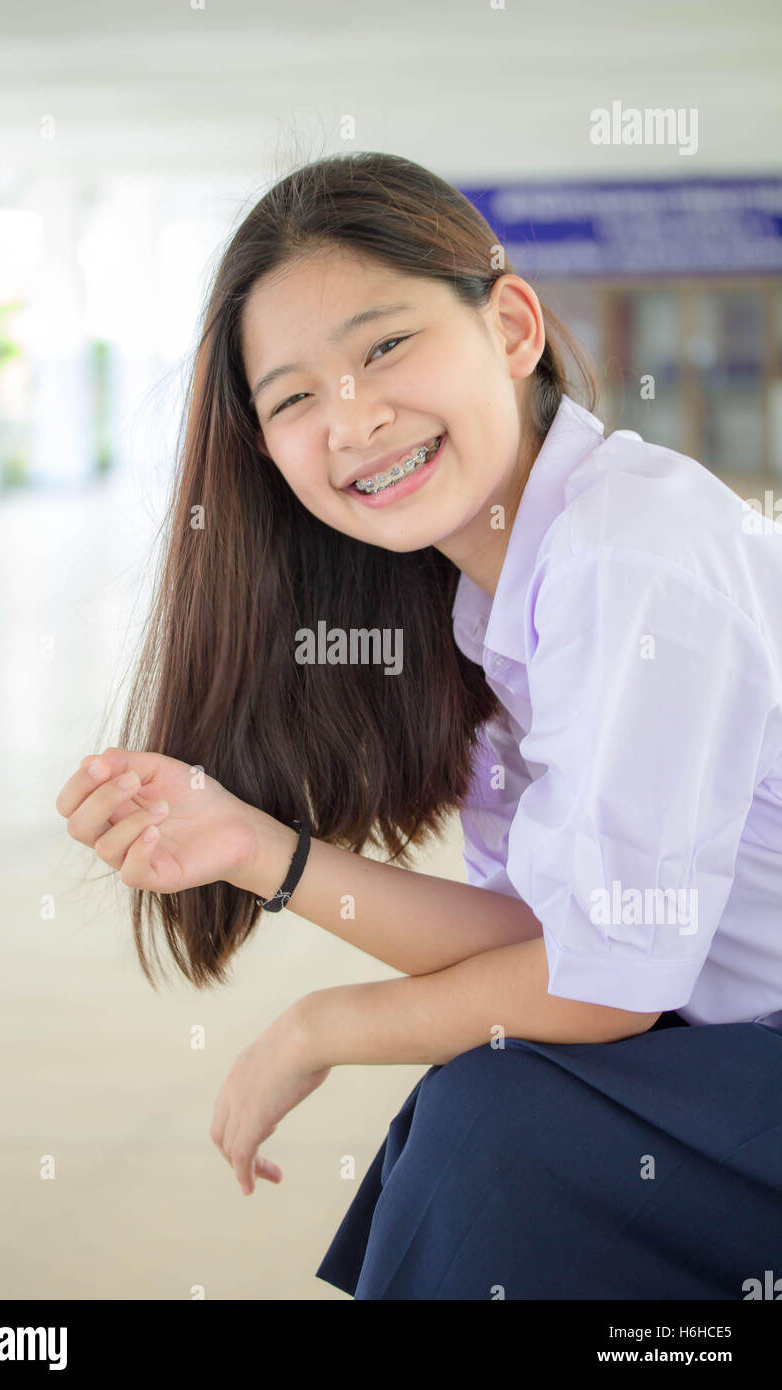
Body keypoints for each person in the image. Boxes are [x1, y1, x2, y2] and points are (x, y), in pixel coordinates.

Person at [55, 151, 782, 1300]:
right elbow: (542, 943)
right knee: (493, 1107)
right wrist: (253, 847)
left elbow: (603, 982)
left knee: (492, 1122)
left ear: (509, 327)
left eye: (383, 346)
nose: (352, 419)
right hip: (732, 1051)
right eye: (292, 397)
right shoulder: (490, 596)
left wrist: (316, 1026)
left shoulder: (624, 551)